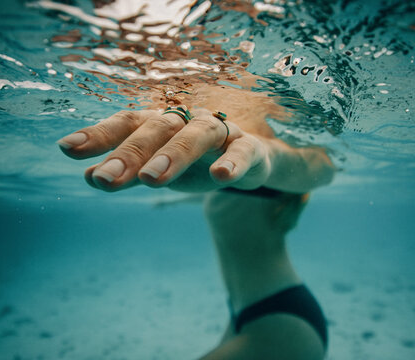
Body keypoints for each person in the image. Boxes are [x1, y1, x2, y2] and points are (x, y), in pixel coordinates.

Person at [57, 93, 334, 358]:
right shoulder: (227, 166)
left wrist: (263, 153)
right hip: (247, 307)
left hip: (284, 325)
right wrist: (172, 201)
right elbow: (228, 198)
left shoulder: (300, 164)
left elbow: (299, 165)